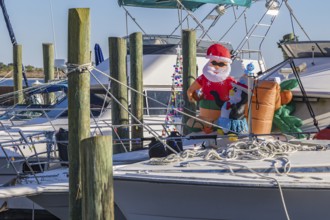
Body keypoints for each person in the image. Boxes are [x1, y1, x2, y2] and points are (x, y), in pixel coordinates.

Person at [186, 43, 236, 133]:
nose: (216, 67)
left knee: (223, 124)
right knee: (190, 124)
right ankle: (209, 126)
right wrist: (191, 94)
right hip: (203, 116)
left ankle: (215, 126)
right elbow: (191, 89)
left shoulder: (229, 80)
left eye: (221, 64)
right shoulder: (204, 77)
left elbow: (237, 94)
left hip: (220, 116)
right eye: (214, 63)